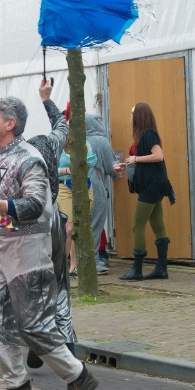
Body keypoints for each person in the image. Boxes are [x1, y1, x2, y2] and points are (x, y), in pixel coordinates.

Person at [0, 96, 98, 390]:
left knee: (33, 324)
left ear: (9, 124)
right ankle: (17, 386)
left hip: (29, 253)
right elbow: (1, 199)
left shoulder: (30, 159)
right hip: (1, 250)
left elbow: (36, 207)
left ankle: (78, 377)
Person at [0, 81, 75, 370]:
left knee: (34, 295)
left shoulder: (25, 158)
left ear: (11, 126)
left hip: (34, 227)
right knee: (57, 286)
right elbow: (62, 124)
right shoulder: (49, 144)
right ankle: (63, 342)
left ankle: (55, 352)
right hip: (49, 220)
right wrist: (47, 99)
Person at [119, 103, 175, 281]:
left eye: (131, 114)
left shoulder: (148, 134)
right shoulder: (144, 135)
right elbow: (147, 160)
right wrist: (129, 163)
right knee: (158, 225)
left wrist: (136, 158)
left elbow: (158, 155)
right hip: (155, 185)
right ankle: (161, 268)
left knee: (137, 225)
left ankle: (137, 269)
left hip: (152, 186)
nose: (129, 117)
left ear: (139, 117)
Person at [86, 114, 121, 273]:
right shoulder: (100, 141)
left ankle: (75, 264)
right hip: (96, 187)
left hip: (71, 188)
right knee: (95, 226)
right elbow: (112, 167)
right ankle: (92, 264)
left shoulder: (71, 141)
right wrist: (118, 173)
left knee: (76, 228)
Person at [58, 137, 97, 277]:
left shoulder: (83, 142)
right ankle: (62, 265)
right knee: (69, 229)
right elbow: (52, 170)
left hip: (84, 185)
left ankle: (74, 266)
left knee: (79, 228)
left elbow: (93, 160)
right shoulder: (59, 145)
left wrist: (81, 163)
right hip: (65, 186)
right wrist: (68, 170)